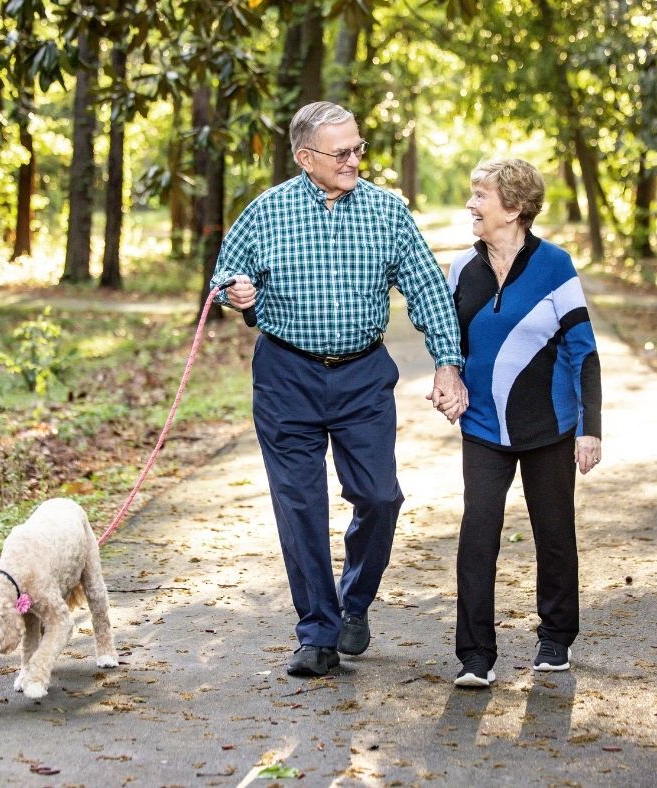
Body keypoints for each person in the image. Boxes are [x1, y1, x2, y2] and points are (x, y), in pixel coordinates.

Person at [210, 101, 467, 677]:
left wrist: (448, 363)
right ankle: (317, 632)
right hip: (285, 374)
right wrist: (236, 291)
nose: (355, 159)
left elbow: (426, 288)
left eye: (359, 148)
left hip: (360, 375)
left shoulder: (386, 212)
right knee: (299, 503)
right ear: (306, 158)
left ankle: (354, 602)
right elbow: (224, 273)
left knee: (379, 497)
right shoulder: (267, 211)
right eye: (341, 151)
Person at [441, 158, 602, 688]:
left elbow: (584, 351)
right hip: (484, 427)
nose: (472, 204)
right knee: (477, 534)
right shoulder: (462, 269)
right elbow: (450, 346)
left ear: (513, 208)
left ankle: (555, 637)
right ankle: (475, 655)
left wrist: (590, 427)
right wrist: (448, 380)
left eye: (480, 195)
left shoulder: (556, 266)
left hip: (548, 426)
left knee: (553, 533)